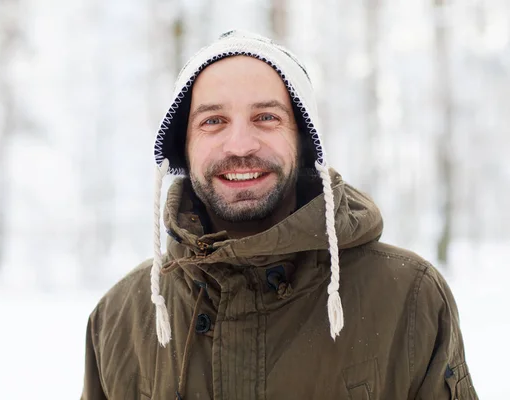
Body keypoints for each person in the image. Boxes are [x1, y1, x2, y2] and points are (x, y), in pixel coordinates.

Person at [81, 30, 478, 399]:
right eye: (213, 121)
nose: (239, 144)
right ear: (183, 147)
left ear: (303, 141)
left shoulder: (408, 299)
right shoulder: (120, 318)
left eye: (266, 117)